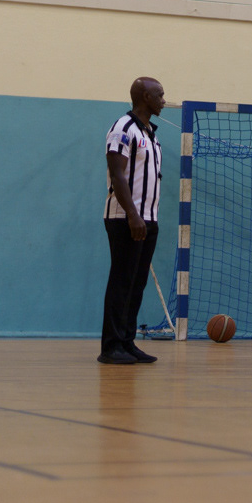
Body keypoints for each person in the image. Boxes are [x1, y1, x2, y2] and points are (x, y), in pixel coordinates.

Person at [100, 77, 166, 364]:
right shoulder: (122, 129)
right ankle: (111, 347)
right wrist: (133, 215)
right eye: (159, 95)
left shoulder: (151, 134)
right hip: (126, 218)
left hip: (148, 219)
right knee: (122, 281)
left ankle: (127, 343)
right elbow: (117, 175)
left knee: (136, 284)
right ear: (145, 97)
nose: (164, 100)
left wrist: (145, 218)